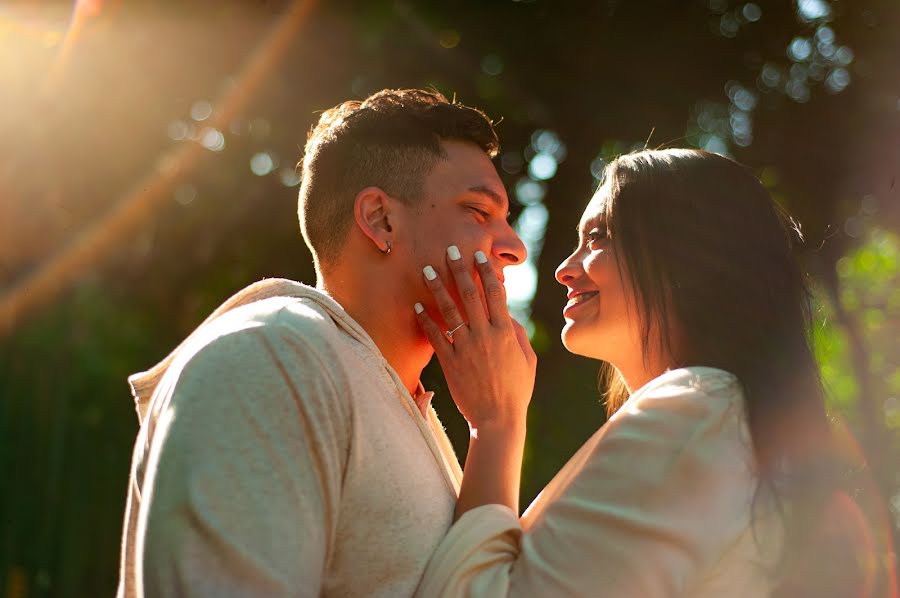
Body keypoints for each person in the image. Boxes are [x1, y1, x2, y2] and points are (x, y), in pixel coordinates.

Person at [117, 88, 527, 597]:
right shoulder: (272, 356)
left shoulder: (406, 408)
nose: (515, 248)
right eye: (478, 211)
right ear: (380, 219)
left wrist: (498, 426)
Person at [412, 149, 862, 596]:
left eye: (599, 236)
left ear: (690, 256)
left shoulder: (698, 408)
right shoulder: (715, 419)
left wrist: (496, 423)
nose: (564, 270)